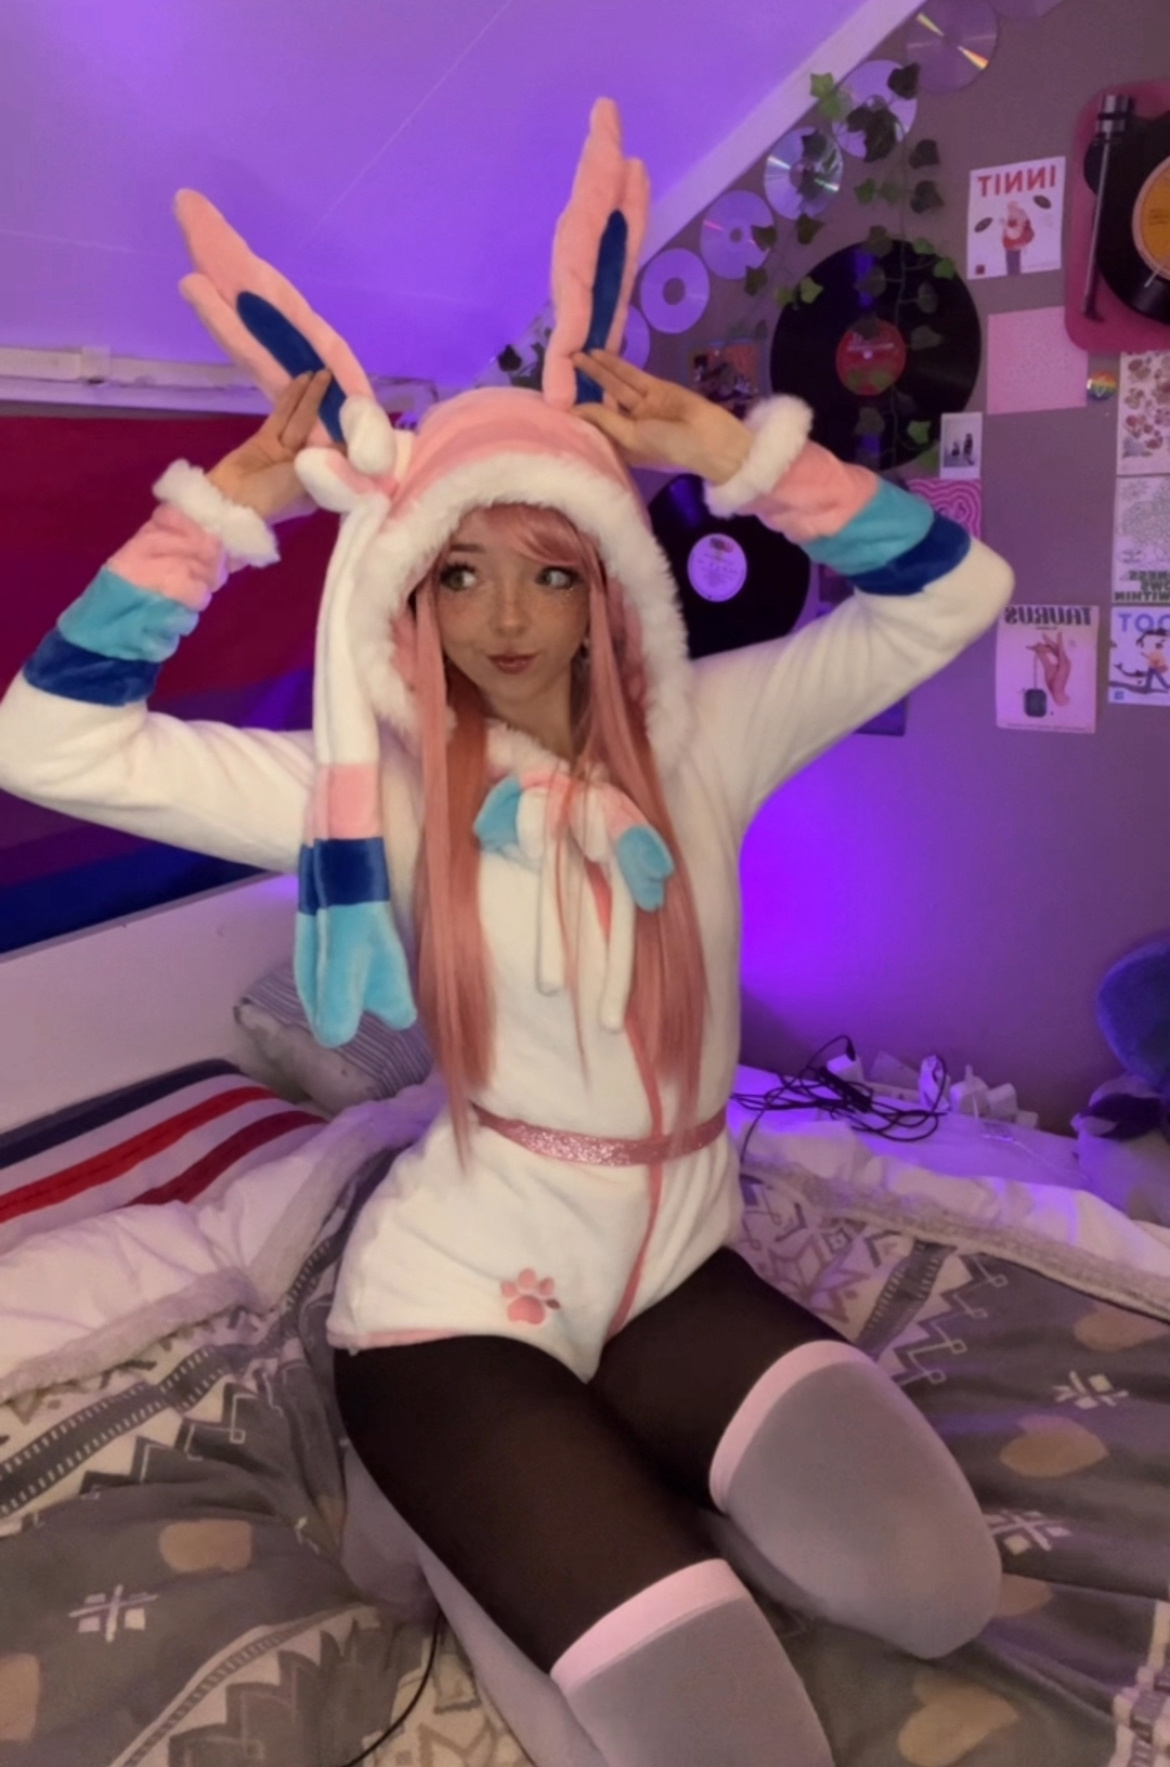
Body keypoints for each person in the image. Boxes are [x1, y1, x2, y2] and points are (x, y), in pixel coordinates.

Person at [0, 105, 1014, 1767]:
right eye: (457, 577)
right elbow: (42, 741)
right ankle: (453, 1521)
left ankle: (593, 1490)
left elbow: (955, 593)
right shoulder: (373, 797)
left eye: (548, 572)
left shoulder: (707, 733)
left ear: (608, 579)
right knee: (739, 1752)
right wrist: (224, 508)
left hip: (674, 1270)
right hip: (455, 1310)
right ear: (408, 598)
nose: (505, 622)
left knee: (937, 1591)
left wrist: (737, 454)